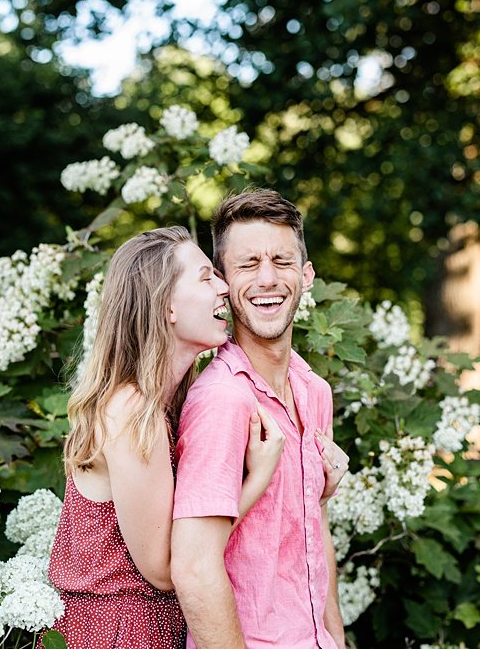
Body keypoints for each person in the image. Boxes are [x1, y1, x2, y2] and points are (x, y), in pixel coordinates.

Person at [47, 226, 286, 649]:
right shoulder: (130, 412)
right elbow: (162, 568)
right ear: (167, 307)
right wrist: (257, 480)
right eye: (206, 277)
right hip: (116, 634)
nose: (225, 288)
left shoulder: (166, 406)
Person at [171, 190, 350, 648]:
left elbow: (316, 533)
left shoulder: (315, 392)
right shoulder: (222, 400)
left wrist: (336, 638)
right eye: (248, 264)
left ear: (306, 275)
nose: (267, 279)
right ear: (223, 281)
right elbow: (193, 568)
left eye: (282, 261)